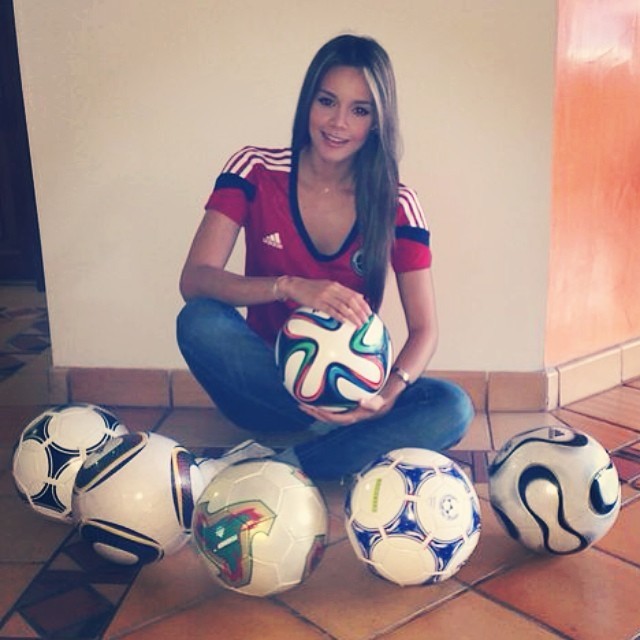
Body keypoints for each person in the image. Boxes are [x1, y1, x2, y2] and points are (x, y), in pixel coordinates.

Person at [177, 34, 473, 481]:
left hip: (351, 391)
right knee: (198, 321)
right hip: (267, 383)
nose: (338, 123)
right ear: (308, 103)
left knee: (453, 407)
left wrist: (387, 396)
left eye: (360, 110)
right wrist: (288, 286)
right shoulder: (254, 169)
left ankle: (289, 465)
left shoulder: (396, 203)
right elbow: (195, 279)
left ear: (377, 122)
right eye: (327, 101)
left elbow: (424, 330)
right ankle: (341, 445)